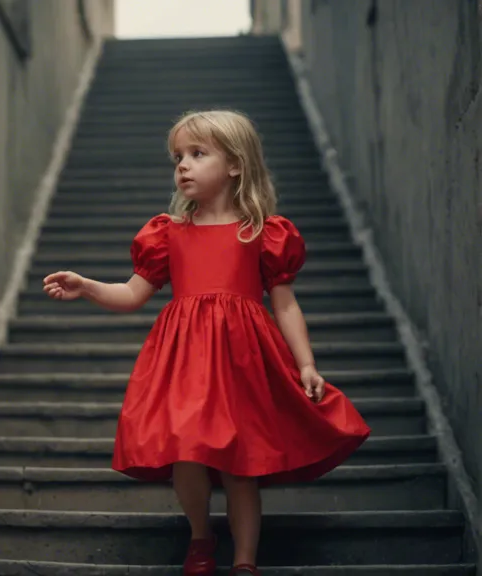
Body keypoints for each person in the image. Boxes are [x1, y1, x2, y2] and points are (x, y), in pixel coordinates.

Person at [42, 110, 371, 576]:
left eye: (198, 154)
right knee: (187, 454)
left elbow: (285, 306)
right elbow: (134, 294)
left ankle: (244, 561)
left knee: (241, 464)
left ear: (235, 164)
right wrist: (87, 285)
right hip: (183, 361)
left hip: (242, 361)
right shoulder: (168, 232)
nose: (183, 165)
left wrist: (307, 365)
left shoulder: (261, 231)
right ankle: (200, 536)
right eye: (178, 156)